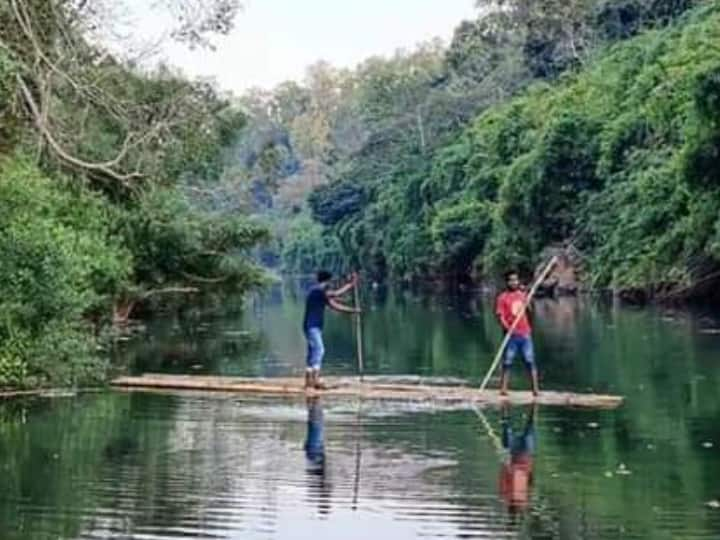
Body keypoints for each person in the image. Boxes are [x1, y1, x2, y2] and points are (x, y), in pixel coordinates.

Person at [303, 270, 360, 389]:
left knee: (312, 352)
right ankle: (315, 380)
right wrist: (350, 285)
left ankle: (309, 381)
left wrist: (352, 311)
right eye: (331, 281)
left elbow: (335, 306)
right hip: (311, 326)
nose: (331, 284)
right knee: (319, 350)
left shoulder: (320, 293)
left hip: (314, 326)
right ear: (327, 281)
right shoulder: (317, 291)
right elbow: (336, 294)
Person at [495, 270, 540, 396]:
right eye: (511, 280)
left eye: (516, 280)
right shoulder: (502, 298)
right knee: (508, 361)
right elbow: (500, 317)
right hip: (510, 336)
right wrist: (508, 329)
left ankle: (535, 390)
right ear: (507, 282)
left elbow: (530, 311)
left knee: (529, 360)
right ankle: (503, 389)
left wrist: (529, 301)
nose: (514, 282)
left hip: (525, 334)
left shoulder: (522, 295)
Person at [499, 404, 537, 515]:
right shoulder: (523, 499)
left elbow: (503, 477)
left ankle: (505, 408)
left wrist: (505, 464)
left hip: (515, 456)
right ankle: (532, 407)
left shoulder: (506, 495)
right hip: (523, 457)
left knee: (509, 427)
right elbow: (531, 482)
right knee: (529, 427)